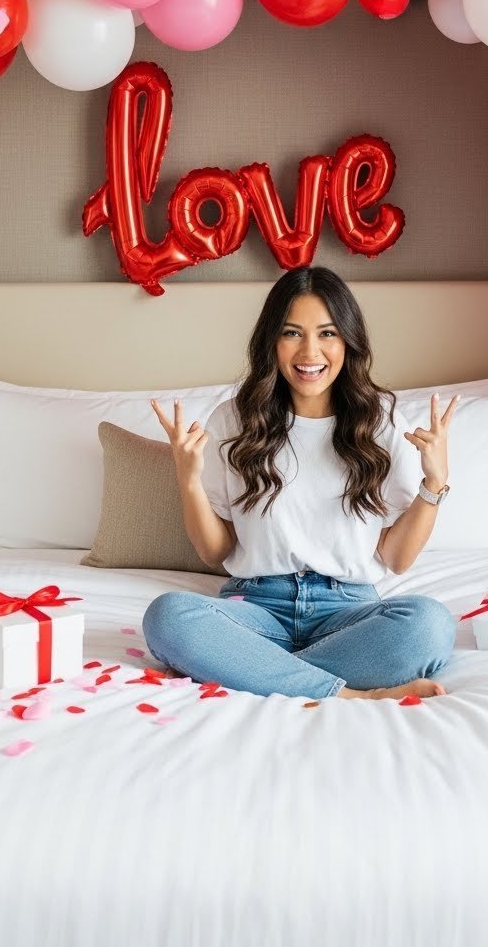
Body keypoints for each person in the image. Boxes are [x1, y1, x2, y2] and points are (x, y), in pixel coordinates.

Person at [142, 266, 458, 701]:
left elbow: (397, 559)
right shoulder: (234, 420)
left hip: (347, 611)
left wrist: (434, 482)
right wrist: (189, 481)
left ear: (348, 341)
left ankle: (253, 669)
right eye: (292, 333)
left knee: (431, 625)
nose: (310, 351)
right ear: (271, 341)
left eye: (327, 333)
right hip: (255, 609)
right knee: (168, 616)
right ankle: (353, 695)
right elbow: (215, 552)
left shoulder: (380, 422)